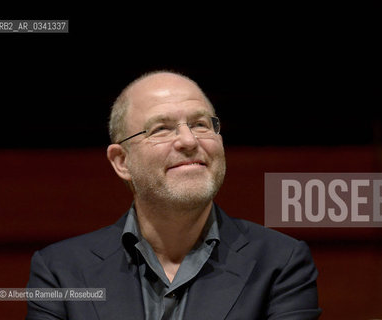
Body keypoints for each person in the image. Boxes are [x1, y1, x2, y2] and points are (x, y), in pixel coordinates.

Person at [26, 71, 322, 319]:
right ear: (122, 161)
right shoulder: (58, 271)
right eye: (162, 129)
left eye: (201, 124)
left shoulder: (281, 263)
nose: (189, 140)